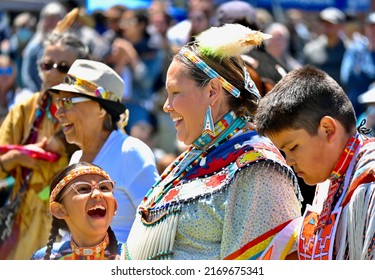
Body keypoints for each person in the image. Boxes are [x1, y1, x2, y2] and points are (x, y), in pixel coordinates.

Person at [123, 23, 302, 260]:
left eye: (175, 93)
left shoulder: (259, 170)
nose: (167, 106)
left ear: (212, 92)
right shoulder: (195, 156)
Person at [254, 65, 375, 260]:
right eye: (283, 153)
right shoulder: (331, 180)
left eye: (293, 147)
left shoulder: (369, 183)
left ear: (327, 129)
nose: (289, 162)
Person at [0, 28, 90, 259]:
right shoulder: (24, 110)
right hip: (24, 223)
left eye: (63, 67)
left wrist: (67, 146)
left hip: (75, 222)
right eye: (46, 65)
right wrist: (15, 158)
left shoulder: (94, 113)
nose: (53, 72)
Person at [49, 59, 159, 243]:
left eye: (68, 102)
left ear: (100, 108)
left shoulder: (130, 153)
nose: (58, 112)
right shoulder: (77, 158)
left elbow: (158, 223)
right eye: (58, 102)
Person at [31, 162, 120, 260]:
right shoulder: (43, 258)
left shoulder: (131, 256)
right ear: (59, 210)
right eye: (83, 189)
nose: (97, 193)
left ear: (114, 206)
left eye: (104, 187)